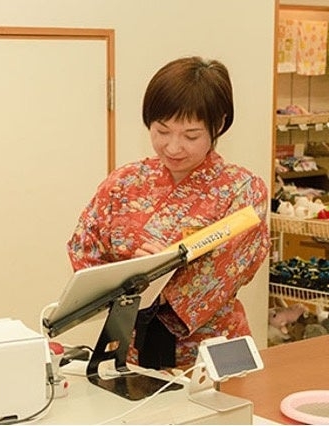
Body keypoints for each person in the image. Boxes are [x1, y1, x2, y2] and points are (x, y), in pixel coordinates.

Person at [66, 56, 269, 371]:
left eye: (191, 136)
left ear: (217, 125)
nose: (173, 147)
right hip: (129, 350)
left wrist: (152, 277)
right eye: (162, 131)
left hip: (212, 352)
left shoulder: (244, 191)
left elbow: (217, 275)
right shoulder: (124, 182)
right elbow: (84, 248)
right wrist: (131, 277)